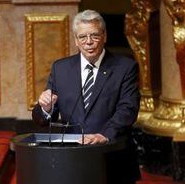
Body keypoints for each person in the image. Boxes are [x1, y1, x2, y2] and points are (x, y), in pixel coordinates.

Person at [32, 9, 140, 145]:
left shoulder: (125, 68)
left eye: (94, 35)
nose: (89, 42)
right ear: (76, 40)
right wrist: (46, 108)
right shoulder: (61, 69)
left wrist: (104, 135)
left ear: (104, 36)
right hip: (72, 153)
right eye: (82, 37)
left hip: (110, 150)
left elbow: (128, 109)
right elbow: (42, 119)